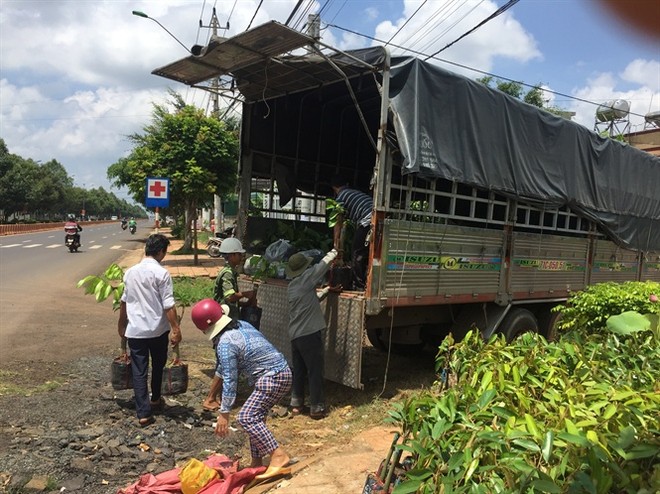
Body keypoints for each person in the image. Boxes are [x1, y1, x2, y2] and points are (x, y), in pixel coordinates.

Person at [191, 298, 292, 479]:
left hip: (272, 376)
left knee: (246, 418)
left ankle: (278, 455)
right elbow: (224, 367)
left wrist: (224, 412)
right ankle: (256, 461)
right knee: (256, 417)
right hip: (282, 371)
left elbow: (230, 378)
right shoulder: (241, 325)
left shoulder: (224, 344)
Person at [117, 234, 182, 427]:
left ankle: (143, 413)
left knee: (139, 370)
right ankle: (155, 399)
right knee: (158, 365)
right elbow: (168, 305)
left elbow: (124, 300)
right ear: (161, 252)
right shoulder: (162, 273)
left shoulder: (130, 272)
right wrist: (176, 329)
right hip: (157, 330)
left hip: (136, 331)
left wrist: (121, 323)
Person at [203, 237, 256, 411]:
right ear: (231, 255)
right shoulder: (227, 274)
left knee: (226, 359)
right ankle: (211, 398)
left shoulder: (231, 272)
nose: (241, 258)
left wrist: (245, 303)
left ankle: (217, 396)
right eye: (239, 255)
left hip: (227, 321)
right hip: (223, 324)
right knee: (224, 361)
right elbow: (229, 297)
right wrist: (246, 294)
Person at [286, 248, 338, 420]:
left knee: (299, 370)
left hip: (296, 335)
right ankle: (316, 408)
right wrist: (334, 252)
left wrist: (326, 291)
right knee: (315, 371)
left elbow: (311, 300)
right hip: (309, 333)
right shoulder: (306, 279)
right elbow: (321, 267)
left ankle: (296, 404)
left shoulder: (293, 286)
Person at [330, 175, 373, 290]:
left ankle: (358, 285)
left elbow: (337, 222)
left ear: (334, 188)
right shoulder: (354, 193)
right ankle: (367, 282)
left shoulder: (340, 198)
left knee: (357, 253)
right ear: (347, 185)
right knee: (369, 253)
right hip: (377, 218)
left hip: (367, 221)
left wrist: (336, 243)